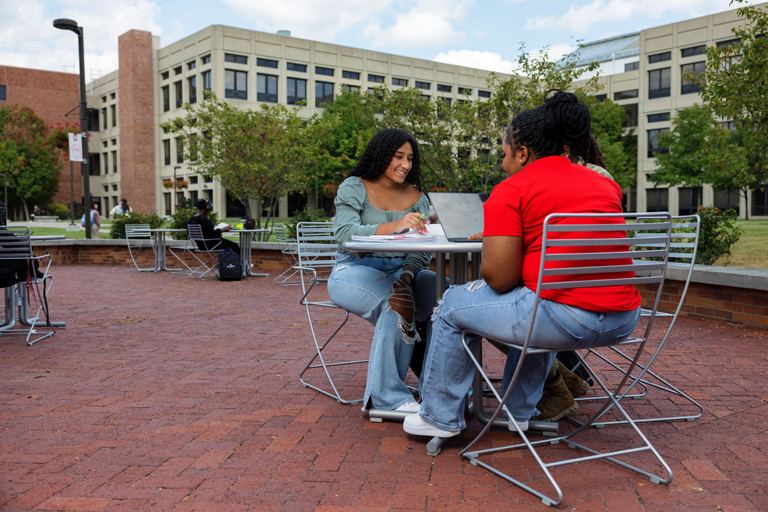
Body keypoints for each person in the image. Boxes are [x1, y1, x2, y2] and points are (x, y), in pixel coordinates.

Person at [404, 93, 642, 438]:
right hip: (624, 319)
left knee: (452, 304)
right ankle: (516, 412)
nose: (502, 164)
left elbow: (499, 281)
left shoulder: (512, 188)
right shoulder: (605, 183)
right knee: (532, 302)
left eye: (503, 154)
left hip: (565, 320)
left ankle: (439, 418)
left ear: (522, 153)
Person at [328, 128, 439, 413]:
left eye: (410, 158)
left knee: (451, 297)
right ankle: (387, 399)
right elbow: (344, 233)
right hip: (354, 268)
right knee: (398, 302)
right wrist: (395, 225)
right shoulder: (355, 185)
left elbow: (422, 247)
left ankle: (441, 390)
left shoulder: (417, 196)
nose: (405, 164)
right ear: (381, 155)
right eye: (398, 156)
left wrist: (407, 274)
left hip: (405, 270)